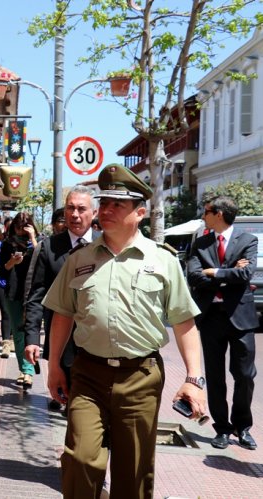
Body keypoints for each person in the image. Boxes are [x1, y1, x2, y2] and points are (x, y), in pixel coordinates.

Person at [38, 165, 206, 498]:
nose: (106, 210)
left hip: (140, 377)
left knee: (133, 471)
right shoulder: (79, 259)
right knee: (80, 460)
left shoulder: (163, 261)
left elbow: (185, 321)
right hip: (88, 375)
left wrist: (194, 379)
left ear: (140, 212)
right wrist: (54, 365)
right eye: (104, 203)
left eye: (118, 204)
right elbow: (62, 315)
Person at [186, 196, 258, 450]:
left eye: (206, 211)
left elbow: (246, 274)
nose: (203, 216)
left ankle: (243, 427)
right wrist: (229, 275)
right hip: (211, 318)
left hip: (241, 318)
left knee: (245, 376)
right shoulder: (201, 243)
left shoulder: (248, 241)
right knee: (215, 377)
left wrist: (214, 272)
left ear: (219, 214)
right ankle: (223, 429)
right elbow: (194, 277)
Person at [24, 186, 98, 411]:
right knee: (74, 409)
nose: (75, 214)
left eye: (81, 209)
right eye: (70, 208)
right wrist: (32, 338)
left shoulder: (106, 245)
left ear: (94, 213)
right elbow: (36, 294)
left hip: (99, 343)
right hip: (64, 344)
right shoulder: (49, 248)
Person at [0, 212, 38, 384]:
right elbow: (1, 270)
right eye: (18, 227)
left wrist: (33, 237)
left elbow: (41, 258)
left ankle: (28, 370)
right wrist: (12, 262)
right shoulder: (8, 244)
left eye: (24, 226)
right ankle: (25, 370)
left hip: (33, 293)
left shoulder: (35, 243)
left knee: (30, 331)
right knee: (18, 333)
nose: (21, 230)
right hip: (13, 291)